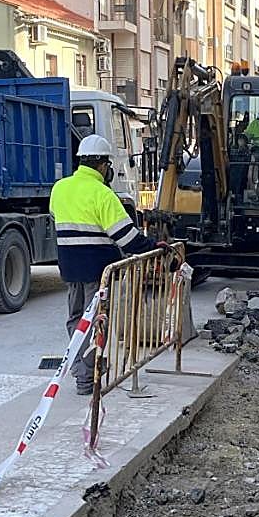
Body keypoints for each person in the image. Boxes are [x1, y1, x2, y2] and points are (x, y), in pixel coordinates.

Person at [50, 134, 158, 395]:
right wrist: (155, 246)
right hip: (97, 271)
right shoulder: (103, 194)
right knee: (96, 321)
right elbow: (127, 237)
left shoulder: (60, 188)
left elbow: (57, 218)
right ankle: (87, 376)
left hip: (69, 268)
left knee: (76, 320)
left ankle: (86, 367)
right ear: (101, 165)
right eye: (108, 164)